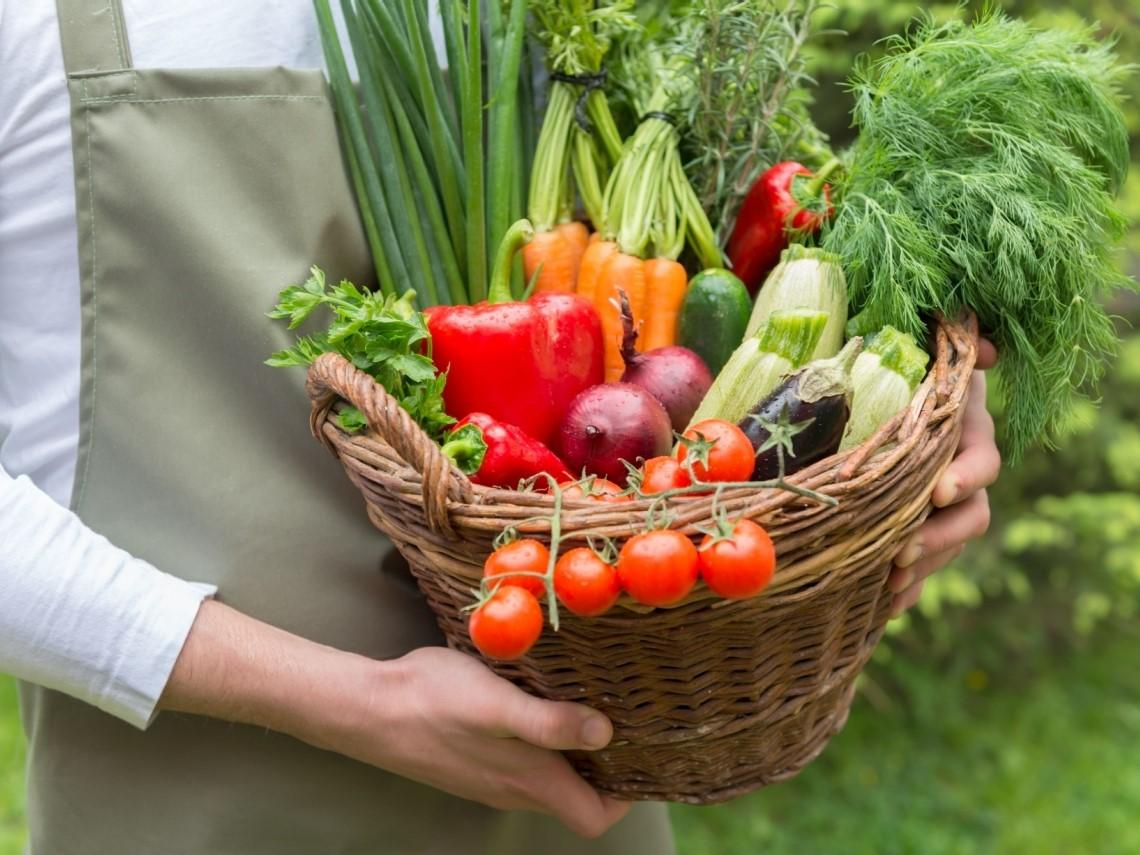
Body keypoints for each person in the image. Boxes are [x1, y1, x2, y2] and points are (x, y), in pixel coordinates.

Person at [0, 1, 1001, 852]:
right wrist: (354, 702)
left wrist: (911, 403)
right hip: (203, 799)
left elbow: (752, 243)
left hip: (579, 774)